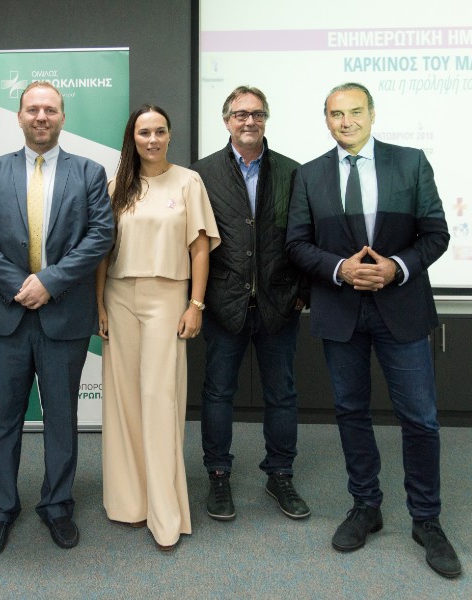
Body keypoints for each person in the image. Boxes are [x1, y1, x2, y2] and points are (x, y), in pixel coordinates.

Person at [285, 82, 461, 578]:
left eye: (355, 112)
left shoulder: (410, 163)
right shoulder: (309, 175)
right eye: (336, 114)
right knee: (350, 411)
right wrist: (340, 269)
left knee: (420, 418)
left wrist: (396, 268)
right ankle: (366, 506)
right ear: (326, 120)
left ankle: (426, 519)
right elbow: (296, 243)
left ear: (372, 113)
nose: (347, 122)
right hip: (340, 309)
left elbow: (436, 233)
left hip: (400, 307)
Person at [0, 81, 114, 556]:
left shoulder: (89, 173)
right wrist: (19, 285)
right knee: (2, 418)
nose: (41, 117)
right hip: (4, 314)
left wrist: (49, 281)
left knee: (62, 418)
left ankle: (58, 505)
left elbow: (100, 235)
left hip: (63, 314)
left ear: (63, 117)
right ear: (19, 117)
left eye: (50, 109)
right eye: (32, 109)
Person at [96, 105, 220, 551]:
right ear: (132, 137)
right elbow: (103, 249)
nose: (152, 139)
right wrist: (98, 303)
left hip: (167, 298)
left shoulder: (188, 182)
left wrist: (196, 304)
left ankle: (166, 513)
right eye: (144, 132)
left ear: (169, 136)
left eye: (159, 131)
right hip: (118, 296)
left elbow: (200, 249)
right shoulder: (117, 185)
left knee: (160, 400)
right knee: (124, 402)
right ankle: (130, 503)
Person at [190, 86, 311, 522]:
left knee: (282, 394)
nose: (249, 121)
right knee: (218, 392)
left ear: (265, 119)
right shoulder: (201, 174)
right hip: (225, 304)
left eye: (257, 114)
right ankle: (218, 475)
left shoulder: (293, 173)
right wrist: (198, 299)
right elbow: (193, 242)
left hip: (279, 304)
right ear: (226, 121)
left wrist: (302, 293)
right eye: (240, 114)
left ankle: (280, 474)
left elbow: (306, 236)